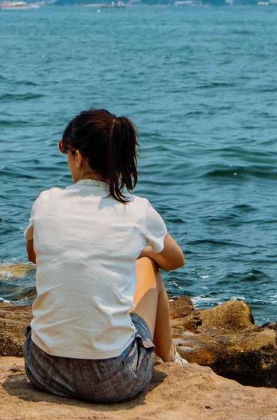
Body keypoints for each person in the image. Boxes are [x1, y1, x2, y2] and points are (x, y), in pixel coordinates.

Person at [23, 108, 185, 403]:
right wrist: (139, 250)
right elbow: (175, 260)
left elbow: (35, 255)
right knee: (150, 264)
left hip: (43, 369)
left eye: (66, 151)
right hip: (113, 380)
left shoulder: (45, 201)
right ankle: (168, 355)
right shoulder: (137, 209)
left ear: (80, 156)